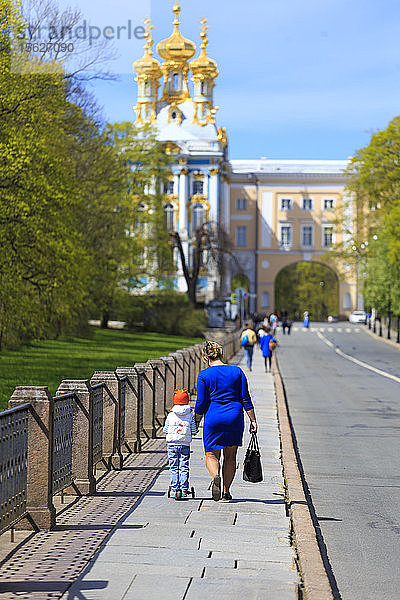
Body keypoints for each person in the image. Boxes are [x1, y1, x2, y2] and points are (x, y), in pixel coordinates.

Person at [195, 340, 257, 502]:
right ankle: (226, 492)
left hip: (214, 418)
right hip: (234, 417)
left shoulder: (204, 375)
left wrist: (196, 421)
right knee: (230, 456)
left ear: (206, 358)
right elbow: (246, 399)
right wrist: (253, 420)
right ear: (221, 354)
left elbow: (201, 403)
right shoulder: (237, 372)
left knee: (211, 454)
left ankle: (216, 476)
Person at [163, 389, 197, 500]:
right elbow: (193, 430)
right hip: (185, 445)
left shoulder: (170, 415)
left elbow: (165, 429)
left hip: (172, 444)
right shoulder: (190, 415)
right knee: (184, 467)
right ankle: (184, 489)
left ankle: (174, 488)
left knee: (174, 467)